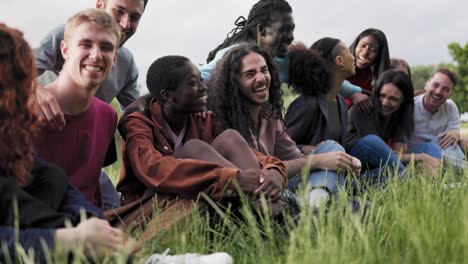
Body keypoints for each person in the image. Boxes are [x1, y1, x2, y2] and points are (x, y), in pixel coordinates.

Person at [114, 54, 287, 230]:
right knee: (194, 148)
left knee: (230, 138)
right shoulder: (139, 122)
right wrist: (234, 179)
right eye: (193, 83)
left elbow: (249, 153)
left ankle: (268, 213)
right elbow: (152, 169)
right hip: (152, 207)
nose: (204, 88)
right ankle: (269, 218)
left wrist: (273, 170)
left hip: (201, 194)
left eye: (200, 80)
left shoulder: (204, 119)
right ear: (167, 96)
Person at [0, 22, 123, 263]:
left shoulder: (107, 115)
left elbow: (62, 187)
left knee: (49, 179)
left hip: (57, 227)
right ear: (65, 50)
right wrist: (66, 240)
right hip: (36, 239)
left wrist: (94, 226)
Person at [208, 43, 360, 206]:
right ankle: (317, 207)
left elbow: (293, 156)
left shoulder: (270, 114)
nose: (261, 78)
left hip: (282, 181)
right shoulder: (220, 121)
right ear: (234, 82)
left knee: (331, 147)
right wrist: (316, 161)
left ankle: (316, 204)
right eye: (250, 74)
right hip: (258, 192)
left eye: (264, 70)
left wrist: (342, 162)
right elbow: (259, 173)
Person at [35, 0, 148, 209]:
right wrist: (31, 92)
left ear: (114, 57)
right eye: (119, 11)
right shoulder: (68, 31)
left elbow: (135, 111)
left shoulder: (125, 66)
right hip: (47, 134)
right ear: (65, 50)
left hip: (85, 145)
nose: (125, 24)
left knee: (112, 208)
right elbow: (15, 74)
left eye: (134, 17)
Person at [284, 39, 363, 196]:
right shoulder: (307, 104)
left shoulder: (340, 102)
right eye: (348, 52)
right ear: (339, 61)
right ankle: (317, 207)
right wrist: (306, 149)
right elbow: (278, 149)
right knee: (333, 146)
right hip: (304, 174)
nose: (353, 57)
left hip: (333, 174)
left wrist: (352, 163)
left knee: (386, 175)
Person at [346, 70, 438, 184]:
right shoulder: (362, 107)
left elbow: (397, 155)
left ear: (403, 101)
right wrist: (421, 157)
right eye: (382, 96)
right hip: (354, 163)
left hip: (379, 169)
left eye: (393, 99)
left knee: (430, 147)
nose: (385, 102)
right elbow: (376, 149)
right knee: (373, 141)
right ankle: (411, 180)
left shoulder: (399, 115)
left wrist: (422, 158)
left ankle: (431, 178)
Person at [200, 0, 294, 82]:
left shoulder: (278, 60)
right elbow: (196, 79)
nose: (291, 37)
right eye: (284, 30)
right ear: (261, 30)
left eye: (292, 29)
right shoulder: (234, 56)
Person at [408, 68, 467, 165]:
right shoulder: (410, 106)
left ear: (450, 93)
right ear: (427, 85)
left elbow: (451, 140)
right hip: (415, 155)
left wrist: (455, 132)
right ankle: (462, 170)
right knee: (431, 146)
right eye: (435, 85)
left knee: (463, 142)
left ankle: (454, 168)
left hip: (442, 150)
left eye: (446, 89)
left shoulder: (450, 107)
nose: (438, 92)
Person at [345, 28, 391, 106]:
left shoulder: (373, 77)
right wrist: (352, 96)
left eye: (373, 49)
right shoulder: (339, 67)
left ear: (379, 56)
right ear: (356, 45)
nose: (365, 52)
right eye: (363, 46)